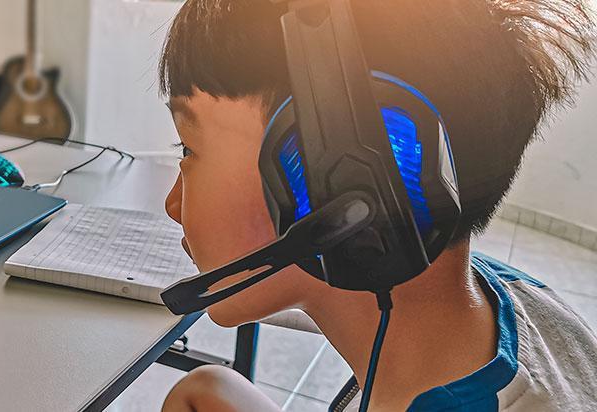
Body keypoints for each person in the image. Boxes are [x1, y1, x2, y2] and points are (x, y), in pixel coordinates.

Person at [157, 0, 597, 411]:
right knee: (204, 388)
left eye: (189, 148)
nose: (172, 204)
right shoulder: (508, 294)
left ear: (340, 182)